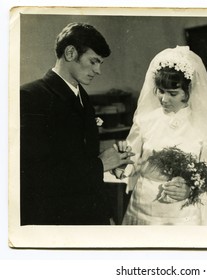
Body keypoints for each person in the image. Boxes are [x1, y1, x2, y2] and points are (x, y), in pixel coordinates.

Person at [20, 22, 133, 225]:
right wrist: (100, 165)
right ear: (70, 53)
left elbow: (76, 157)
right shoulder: (30, 96)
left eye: (100, 63)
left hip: (90, 213)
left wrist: (111, 163)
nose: (98, 71)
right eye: (93, 62)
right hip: (57, 220)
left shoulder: (82, 97)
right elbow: (34, 175)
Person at [111, 46, 207, 225]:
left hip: (183, 213)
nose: (164, 99)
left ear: (189, 91)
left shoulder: (202, 126)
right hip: (143, 207)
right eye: (161, 91)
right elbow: (129, 162)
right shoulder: (145, 120)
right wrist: (120, 167)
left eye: (173, 93)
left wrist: (189, 189)